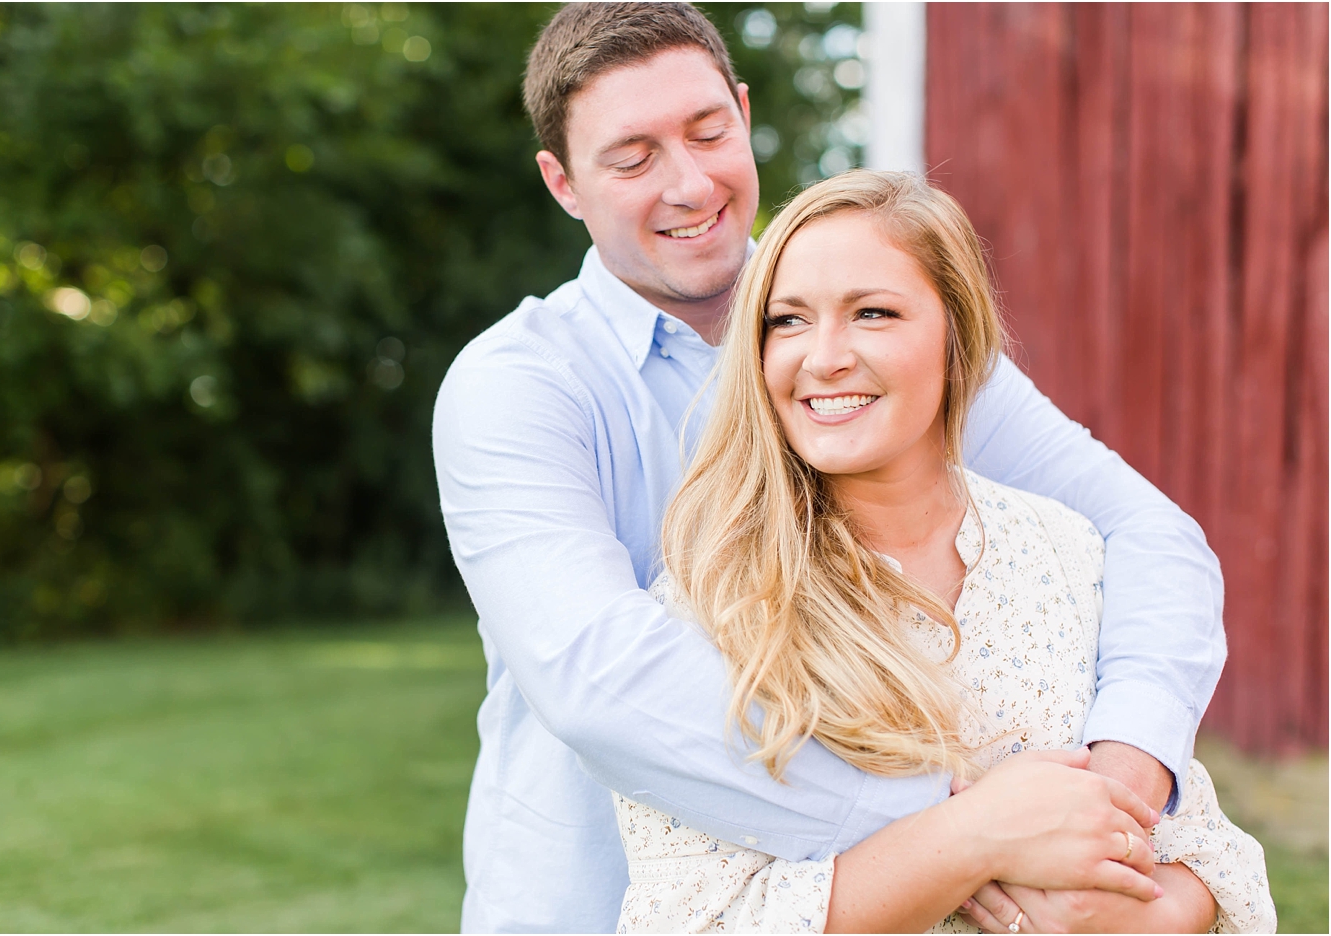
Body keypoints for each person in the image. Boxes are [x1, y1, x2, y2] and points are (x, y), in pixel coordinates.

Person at [432, 4, 1226, 932]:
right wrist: (971, 833)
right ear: (563, 183)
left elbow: (1150, 534)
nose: (690, 183)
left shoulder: (888, 332)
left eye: (707, 131)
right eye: (634, 157)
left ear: (743, 108)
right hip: (590, 902)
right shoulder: (518, 387)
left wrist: (1116, 794)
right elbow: (602, 677)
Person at [612, 169, 1273, 934]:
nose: (823, 357)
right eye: (787, 321)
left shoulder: (1067, 552)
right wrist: (967, 848)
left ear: (959, 339)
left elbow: (1210, 858)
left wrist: (1121, 920)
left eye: (873, 313)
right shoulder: (717, 605)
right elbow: (694, 920)